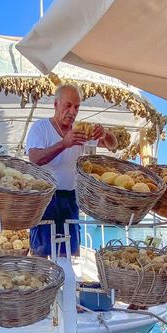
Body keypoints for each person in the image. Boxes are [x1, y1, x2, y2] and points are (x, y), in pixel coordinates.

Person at [26, 84, 117, 257]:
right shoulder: (41, 128)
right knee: (41, 252)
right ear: (56, 105)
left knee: (69, 252)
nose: (72, 111)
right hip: (44, 197)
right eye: (68, 105)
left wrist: (105, 133)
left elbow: (113, 146)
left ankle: (68, 281)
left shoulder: (81, 131)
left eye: (76, 107)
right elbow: (35, 158)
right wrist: (64, 143)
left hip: (70, 197)